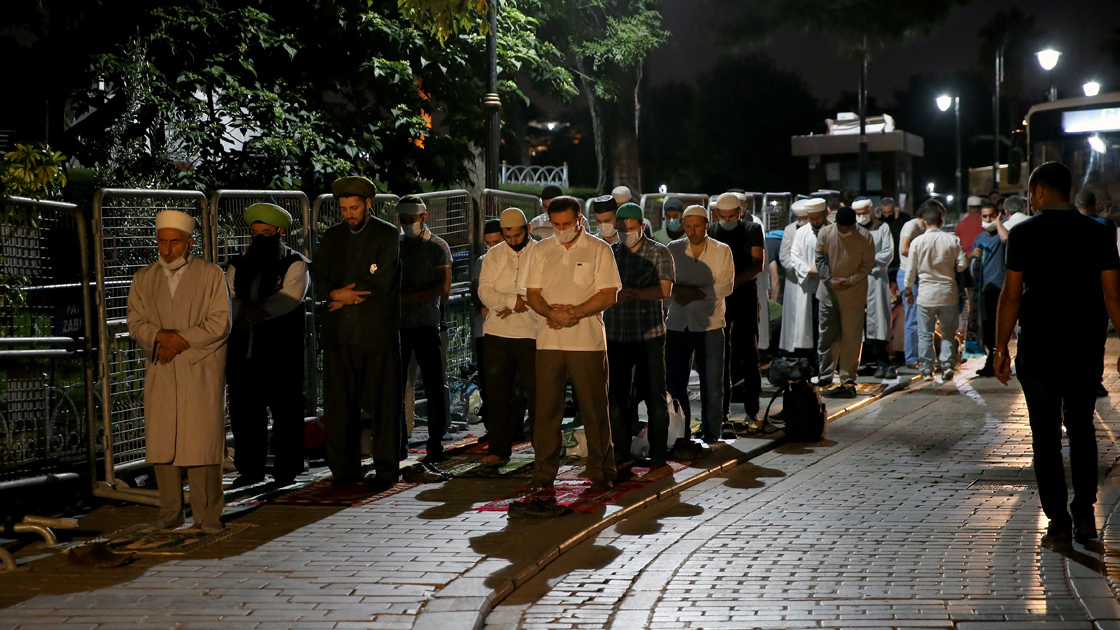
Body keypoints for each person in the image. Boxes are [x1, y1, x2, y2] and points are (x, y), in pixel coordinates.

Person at [995, 161, 1120, 548]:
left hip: (1039, 347)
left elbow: (1012, 294)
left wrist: (1000, 349)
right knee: (1082, 427)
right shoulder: (1099, 232)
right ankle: (1085, 512)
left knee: (1045, 435)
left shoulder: (1024, 233)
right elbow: (1113, 293)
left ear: (1039, 191)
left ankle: (1058, 523)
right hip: (1085, 345)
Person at [127, 210, 231, 532]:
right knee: (163, 439)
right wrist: (160, 338)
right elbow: (135, 320)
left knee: (201, 442)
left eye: (175, 242)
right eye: (162, 242)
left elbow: (219, 322)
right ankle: (170, 512)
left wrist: (180, 340)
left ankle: (207, 513)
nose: (167, 249)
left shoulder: (211, 275)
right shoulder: (144, 278)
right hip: (162, 367)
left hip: (198, 368)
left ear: (190, 243)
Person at [524, 196, 622, 491]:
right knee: (546, 412)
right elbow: (532, 293)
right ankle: (543, 474)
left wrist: (575, 313)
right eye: (556, 224)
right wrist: (552, 313)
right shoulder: (541, 250)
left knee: (594, 409)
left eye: (567, 223)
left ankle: (601, 470)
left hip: (588, 343)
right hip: (549, 342)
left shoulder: (599, 249)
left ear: (580, 219)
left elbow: (609, 294)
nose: (562, 229)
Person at [314, 176, 403, 491]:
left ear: (368, 204)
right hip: (340, 335)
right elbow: (319, 275)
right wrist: (334, 294)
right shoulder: (333, 237)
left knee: (383, 405)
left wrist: (347, 296)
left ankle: (386, 470)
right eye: (344, 209)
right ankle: (343, 470)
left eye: (354, 208)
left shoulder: (387, 235)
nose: (349, 214)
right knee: (339, 408)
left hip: (376, 334)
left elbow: (383, 279)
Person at [225, 202, 310, 488]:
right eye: (256, 233)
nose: (260, 238)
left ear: (280, 232)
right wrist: (245, 310)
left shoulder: (295, 262)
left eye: (267, 232)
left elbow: (290, 298)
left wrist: (254, 311)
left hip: (281, 353)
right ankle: (250, 469)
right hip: (243, 352)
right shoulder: (238, 264)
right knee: (246, 411)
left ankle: (287, 467)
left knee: (286, 409)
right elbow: (228, 297)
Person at [604, 202, 675, 465]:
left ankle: (658, 453)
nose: (626, 233)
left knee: (655, 395)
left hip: (649, 335)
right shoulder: (610, 253)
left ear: (642, 226)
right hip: (615, 336)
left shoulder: (659, 252)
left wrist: (631, 293)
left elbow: (665, 290)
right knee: (617, 398)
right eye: (621, 228)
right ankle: (621, 453)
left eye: (631, 228)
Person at [665, 205, 736, 444]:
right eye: (688, 226)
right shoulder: (673, 250)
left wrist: (690, 291)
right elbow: (666, 286)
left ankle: (711, 433)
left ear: (707, 224)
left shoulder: (721, 251)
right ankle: (680, 433)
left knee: (712, 383)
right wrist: (682, 290)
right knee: (676, 383)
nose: (693, 230)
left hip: (710, 325)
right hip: (677, 325)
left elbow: (725, 286)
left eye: (697, 225)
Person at [478, 209, 540, 464]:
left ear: (526, 228)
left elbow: (544, 289)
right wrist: (512, 301)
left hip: (533, 333)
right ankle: (498, 450)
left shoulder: (541, 253)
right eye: (507, 235)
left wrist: (516, 302)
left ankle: (542, 449)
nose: (513, 240)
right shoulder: (492, 256)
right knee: (497, 394)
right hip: (497, 334)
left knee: (538, 394)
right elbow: (485, 291)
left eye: (517, 234)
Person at [396, 195, 453, 464]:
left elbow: (443, 285)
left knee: (432, 385)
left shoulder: (438, 247)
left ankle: (435, 442)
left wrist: (412, 297)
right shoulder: (396, 247)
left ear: (423, 217)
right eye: (404, 220)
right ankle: (397, 442)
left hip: (427, 324)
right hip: (399, 327)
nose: (408, 225)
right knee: (396, 386)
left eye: (412, 220)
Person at [709, 192, 765, 434]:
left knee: (748, 350)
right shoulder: (713, 230)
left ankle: (753, 407)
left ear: (740, 212)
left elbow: (756, 265)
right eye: (723, 216)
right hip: (721, 298)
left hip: (744, 295)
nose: (728, 220)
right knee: (721, 352)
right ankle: (723, 409)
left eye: (732, 216)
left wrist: (730, 283)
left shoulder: (753, 229)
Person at [814, 207, 875, 397]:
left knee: (851, 338)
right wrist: (829, 280)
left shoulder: (865, 237)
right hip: (828, 294)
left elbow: (867, 266)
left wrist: (849, 281)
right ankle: (825, 375)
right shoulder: (826, 233)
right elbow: (820, 258)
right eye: (840, 227)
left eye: (846, 228)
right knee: (827, 336)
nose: (843, 231)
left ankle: (848, 377)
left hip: (853, 294)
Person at [904, 200, 966, 379]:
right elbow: (962, 265)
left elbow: (910, 271)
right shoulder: (953, 240)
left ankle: (926, 368)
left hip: (925, 294)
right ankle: (947, 364)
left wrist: (908, 291)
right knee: (947, 332)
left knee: (925, 333)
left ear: (924, 222)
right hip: (948, 293)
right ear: (942, 221)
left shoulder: (917, 242)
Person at [781, 199, 828, 362]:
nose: (814, 221)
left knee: (825, 324)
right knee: (808, 322)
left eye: (817, 217)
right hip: (807, 283)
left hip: (827, 284)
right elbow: (795, 256)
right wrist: (808, 271)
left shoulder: (832, 230)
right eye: (811, 217)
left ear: (825, 214)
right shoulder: (801, 232)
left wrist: (823, 272)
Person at [470, 220, 505, 436]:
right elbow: (476, 292)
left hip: (509, 331)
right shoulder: (482, 262)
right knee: (487, 379)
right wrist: (483, 307)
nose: (492, 247)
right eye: (488, 243)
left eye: (496, 242)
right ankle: (492, 425)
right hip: (485, 331)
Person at [854, 197, 895, 378]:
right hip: (855, 280)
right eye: (858, 214)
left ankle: (882, 361)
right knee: (857, 322)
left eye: (863, 213)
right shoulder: (851, 230)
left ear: (871, 210)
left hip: (876, 279)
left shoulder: (882, 228)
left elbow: (888, 252)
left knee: (878, 320)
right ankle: (859, 362)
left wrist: (868, 262)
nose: (861, 217)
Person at [970, 203, 1008, 377]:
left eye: (991, 216)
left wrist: (999, 223)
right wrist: (972, 255)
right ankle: (990, 357)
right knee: (986, 326)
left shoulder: (1003, 233)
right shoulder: (979, 238)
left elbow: (1005, 240)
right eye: (984, 216)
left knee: (998, 325)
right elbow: (970, 258)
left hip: (999, 287)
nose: (987, 219)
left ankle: (999, 357)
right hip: (983, 289)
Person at [896, 213, 927, 367]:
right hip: (908, 275)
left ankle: (919, 357)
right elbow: (903, 249)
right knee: (912, 318)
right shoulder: (912, 226)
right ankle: (912, 358)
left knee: (919, 318)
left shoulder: (921, 228)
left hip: (916, 274)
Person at [876, 196, 909, 294]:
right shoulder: (878, 221)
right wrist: (877, 219)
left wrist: (897, 219)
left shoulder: (904, 218)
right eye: (884, 212)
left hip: (899, 260)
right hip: (885, 261)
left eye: (889, 212)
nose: (886, 215)